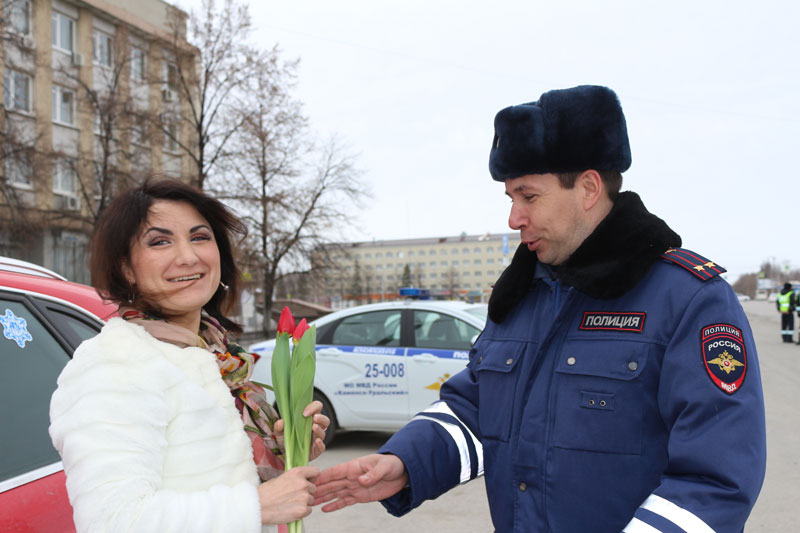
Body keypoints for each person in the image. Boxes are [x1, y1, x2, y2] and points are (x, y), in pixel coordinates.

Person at [313, 86, 767, 532]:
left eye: (529, 197)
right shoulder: (521, 294)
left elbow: (716, 481)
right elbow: (477, 410)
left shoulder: (688, 299)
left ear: (588, 188)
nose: (514, 218)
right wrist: (405, 462)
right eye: (510, 199)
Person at [49, 180, 329, 532]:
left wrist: (293, 445)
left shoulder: (218, 358)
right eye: (160, 241)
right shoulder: (114, 364)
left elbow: (220, 474)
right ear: (126, 268)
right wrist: (257, 506)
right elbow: (113, 521)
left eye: (199, 237)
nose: (188, 256)